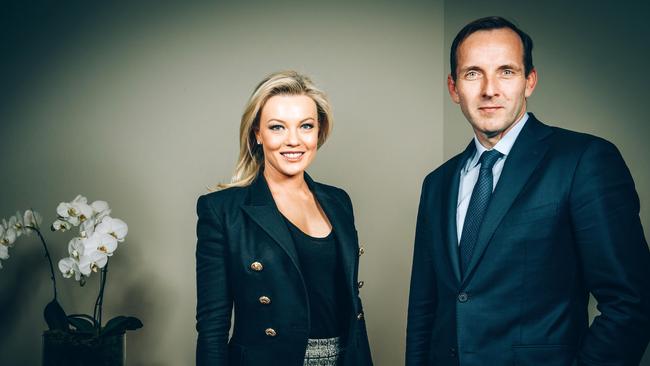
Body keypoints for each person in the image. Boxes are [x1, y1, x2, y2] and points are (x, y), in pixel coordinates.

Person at [406, 16, 650, 366]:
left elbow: (631, 303)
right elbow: (424, 309)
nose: (490, 89)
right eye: (473, 73)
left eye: (506, 71)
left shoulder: (583, 161)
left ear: (529, 81)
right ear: (454, 87)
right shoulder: (438, 183)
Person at [195, 70, 373, 366]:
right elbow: (212, 328)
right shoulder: (221, 210)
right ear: (257, 133)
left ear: (319, 131)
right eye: (277, 127)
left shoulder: (339, 201)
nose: (293, 141)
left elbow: (352, 309)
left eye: (305, 126)